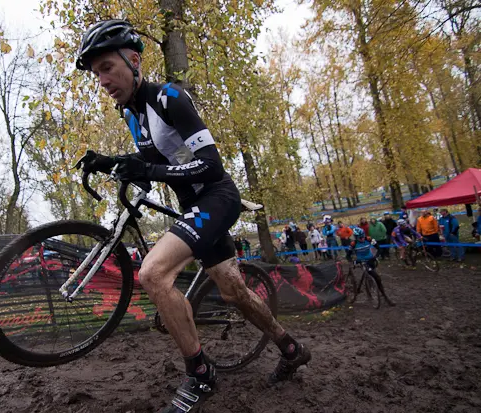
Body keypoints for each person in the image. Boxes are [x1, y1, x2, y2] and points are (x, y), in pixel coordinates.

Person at [75, 20, 310, 412]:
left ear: (133, 61)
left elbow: (210, 166)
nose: (101, 80)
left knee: (152, 274)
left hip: (217, 197)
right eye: (96, 73)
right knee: (234, 291)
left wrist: (147, 171)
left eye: (106, 68)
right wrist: (112, 163)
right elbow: (153, 163)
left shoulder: (169, 98)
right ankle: (291, 347)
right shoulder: (133, 116)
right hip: (196, 208)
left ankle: (200, 375)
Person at [349, 228, 395, 306]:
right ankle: (384, 296)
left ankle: (384, 296)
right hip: (361, 261)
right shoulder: (353, 244)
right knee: (375, 276)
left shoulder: (369, 239)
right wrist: (354, 261)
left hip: (371, 260)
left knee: (377, 279)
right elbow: (348, 256)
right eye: (360, 237)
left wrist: (375, 257)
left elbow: (379, 248)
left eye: (363, 236)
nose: (362, 238)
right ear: (356, 237)